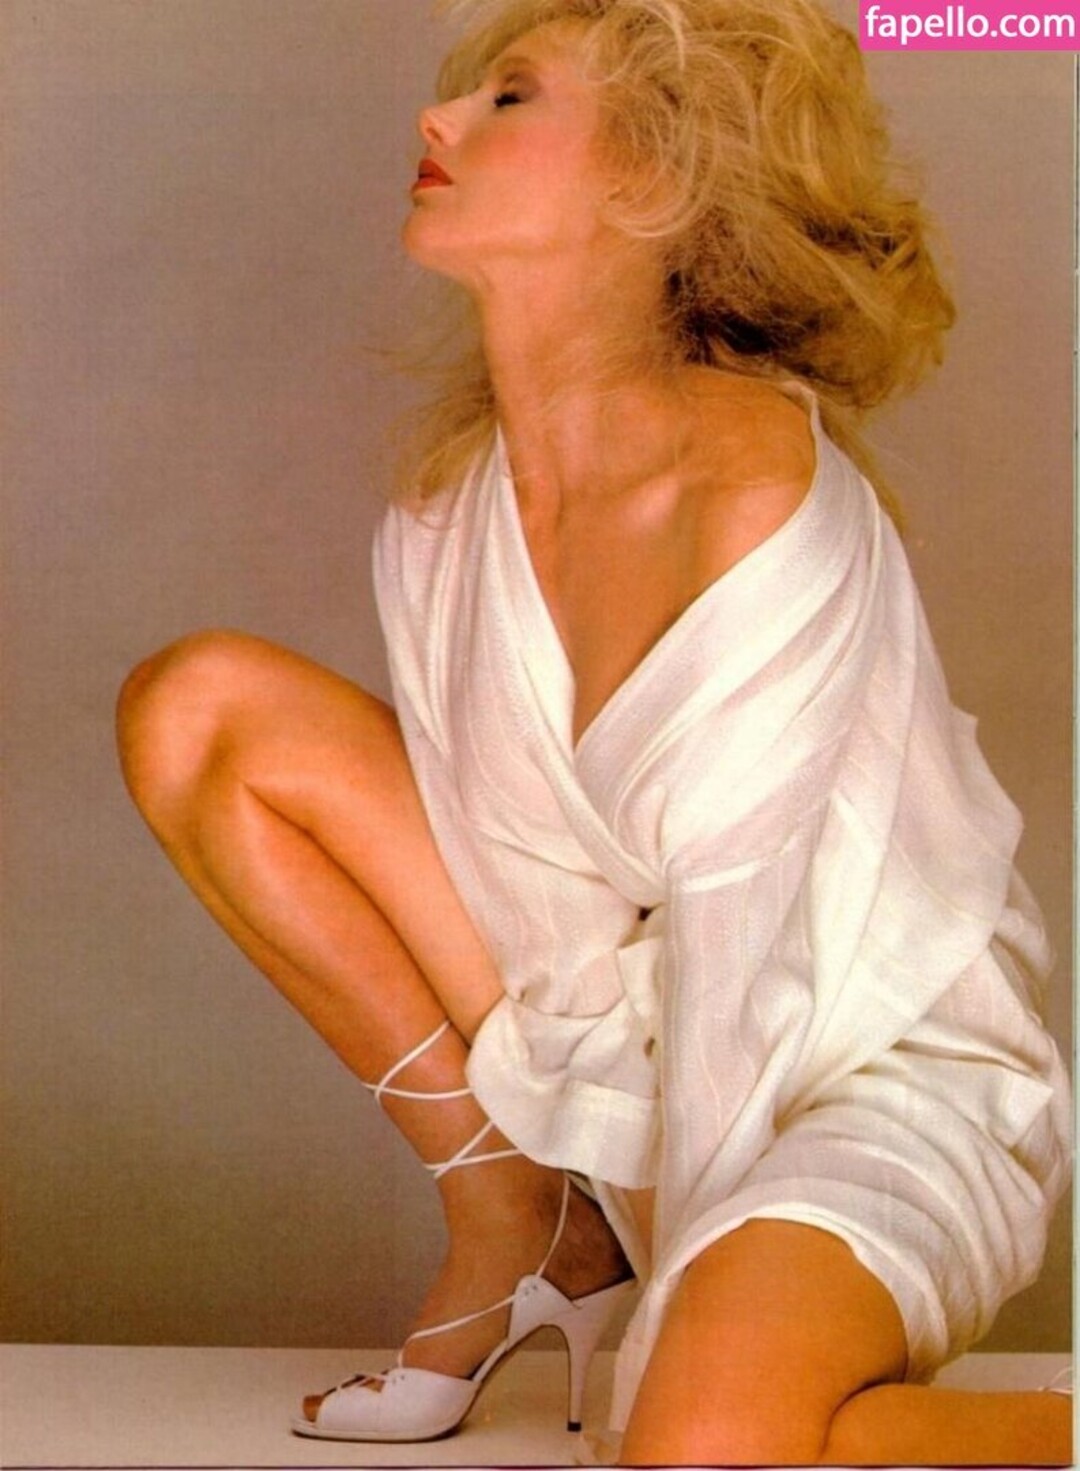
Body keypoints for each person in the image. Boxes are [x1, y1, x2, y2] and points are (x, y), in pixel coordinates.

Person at [116, 0, 1073, 1462]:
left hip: (866, 1072)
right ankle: (520, 1227)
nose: (438, 120)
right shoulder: (445, 514)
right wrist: (597, 1185)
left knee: (700, 1442)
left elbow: (754, 975)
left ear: (655, 177)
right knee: (199, 714)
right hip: (639, 1036)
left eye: (510, 97)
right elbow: (539, 916)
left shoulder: (750, 489)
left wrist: (678, 1332)